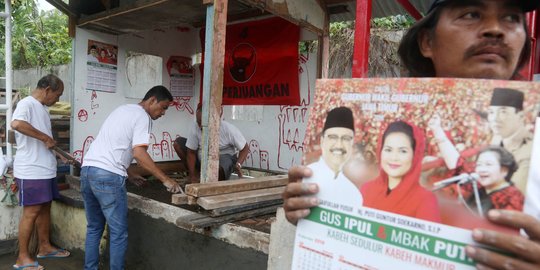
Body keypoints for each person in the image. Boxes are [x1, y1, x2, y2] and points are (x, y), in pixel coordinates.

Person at [283, 0, 540, 269]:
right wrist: (312, 213)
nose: (495, 30)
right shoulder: (367, 188)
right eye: (472, 14)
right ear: (427, 41)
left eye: (511, 18)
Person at [81, 85, 182, 270]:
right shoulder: (143, 117)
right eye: (164, 107)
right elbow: (139, 153)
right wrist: (165, 179)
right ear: (152, 100)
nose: (163, 113)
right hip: (108, 178)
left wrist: (130, 174)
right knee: (118, 233)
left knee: (94, 228)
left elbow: (114, 147)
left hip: (88, 171)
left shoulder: (122, 110)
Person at [12, 75, 70, 270]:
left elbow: (44, 141)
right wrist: (45, 137)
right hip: (31, 170)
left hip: (45, 169)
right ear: (46, 89)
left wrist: (59, 154)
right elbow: (17, 124)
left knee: (45, 208)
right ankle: (22, 258)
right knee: (31, 212)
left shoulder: (43, 110)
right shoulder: (26, 104)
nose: (58, 100)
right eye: (57, 94)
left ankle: (44, 247)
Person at [361, 121, 441, 222]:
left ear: (415, 155)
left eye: (403, 151)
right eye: (388, 150)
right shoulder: (366, 189)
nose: (394, 158)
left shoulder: (425, 200)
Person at [174, 103, 249, 183]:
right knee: (178, 144)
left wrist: (238, 165)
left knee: (220, 167)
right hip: (203, 159)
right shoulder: (195, 127)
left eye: (202, 123)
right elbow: (191, 152)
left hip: (223, 158)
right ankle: (196, 175)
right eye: (198, 123)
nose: (200, 127)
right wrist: (192, 175)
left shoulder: (228, 129)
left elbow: (245, 148)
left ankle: (213, 183)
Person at [304, 107, 363, 209]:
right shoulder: (305, 177)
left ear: (352, 144)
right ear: (322, 141)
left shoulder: (354, 194)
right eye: (333, 137)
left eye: (346, 138)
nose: (339, 145)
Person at [487, 88, 532, 193]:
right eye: (491, 112)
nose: (494, 118)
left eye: (503, 112)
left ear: (520, 116)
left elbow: (514, 195)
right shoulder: (497, 139)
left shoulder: (530, 150)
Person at [463, 146, 524, 216]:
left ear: (504, 170)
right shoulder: (479, 191)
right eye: (479, 165)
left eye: (488, 164)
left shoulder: (513, 197)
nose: (481, 169)